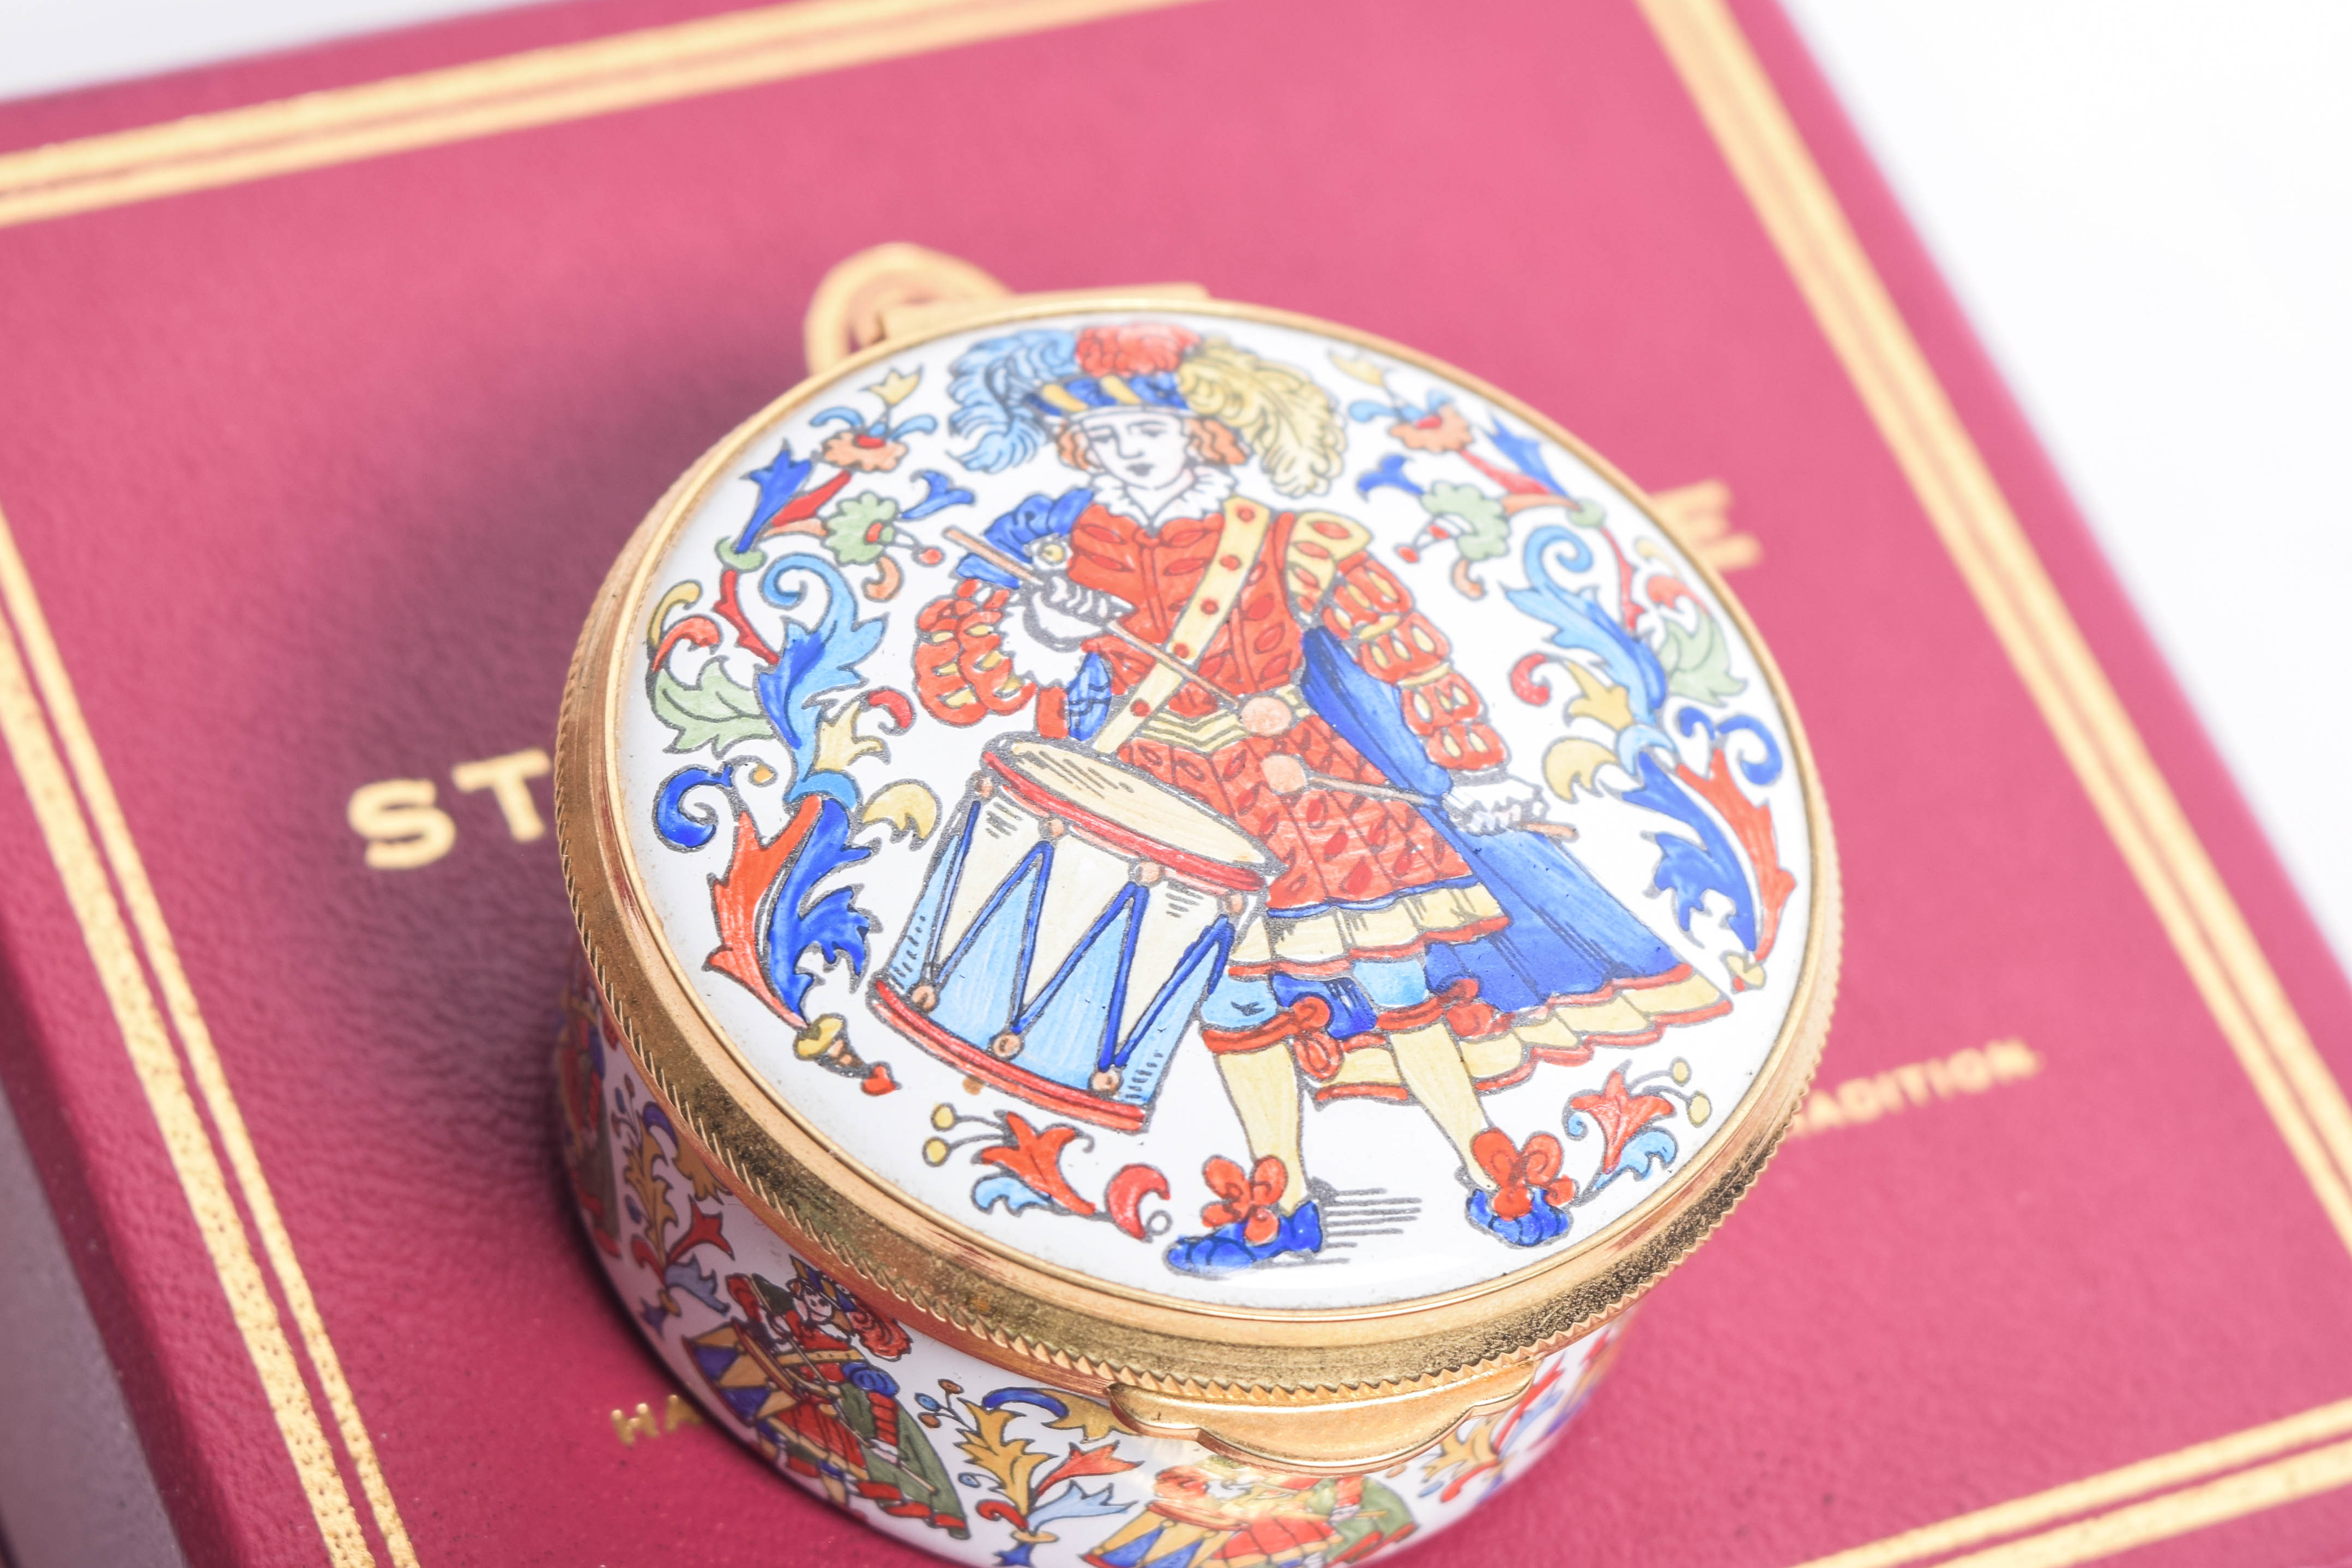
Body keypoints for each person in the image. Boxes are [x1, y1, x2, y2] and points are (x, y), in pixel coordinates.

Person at [907, 323, 1727, 1273]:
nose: (1127, 448)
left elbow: (1401, 646)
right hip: (1162, 799)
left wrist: (1475, 767)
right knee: (1232, 1001)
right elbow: (957, 683)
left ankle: (1489, 1163)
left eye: (1151, 429)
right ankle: (1279, 1198)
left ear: (1201, 435)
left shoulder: (1282, 539)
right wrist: (1041, 628)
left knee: (1394, 984)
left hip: (1296, 790)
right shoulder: (1046, 544)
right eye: (1104, 436)